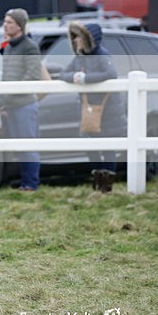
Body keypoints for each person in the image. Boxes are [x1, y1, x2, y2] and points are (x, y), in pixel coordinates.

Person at [60, 22, 127, 193]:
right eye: (75, 38)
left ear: (88, 39)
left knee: (108, 147)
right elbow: (63, 74)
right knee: (90, 144)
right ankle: (99, 179)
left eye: (79, 38)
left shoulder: (102, 55)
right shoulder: (80, 57)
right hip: (89, 110)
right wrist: (75, 77)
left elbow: (110, 74)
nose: (76, 41)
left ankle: (106, 185)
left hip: (108, 110)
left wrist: (85, 78)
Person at [0, 8, 42, 192]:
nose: (5, 25)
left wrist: (9, 93)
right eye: (5, 22)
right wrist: (2, 100)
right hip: (11, 105)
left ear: (20, 26)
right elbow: (6, 76)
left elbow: (33, 75)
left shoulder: (30, 47)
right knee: (19, 146)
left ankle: (31, 183)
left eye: (10, 22)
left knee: (28, 145)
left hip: (25, 104)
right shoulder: (8, 48)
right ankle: (24, 181)